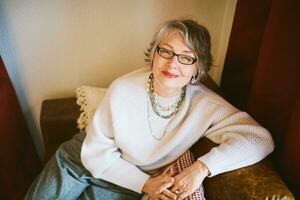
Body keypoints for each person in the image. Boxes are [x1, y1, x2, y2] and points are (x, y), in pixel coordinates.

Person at [26, 19, 274, 200]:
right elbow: (95, 153)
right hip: (79, 160)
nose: (173, 63)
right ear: (153, 55)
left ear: (198, 68)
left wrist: (202, 168)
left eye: (186, 57)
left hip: (125, 181)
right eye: (165, 51)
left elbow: (259, 139)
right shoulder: (123, 89)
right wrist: (146, 184)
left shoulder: (206, 105)